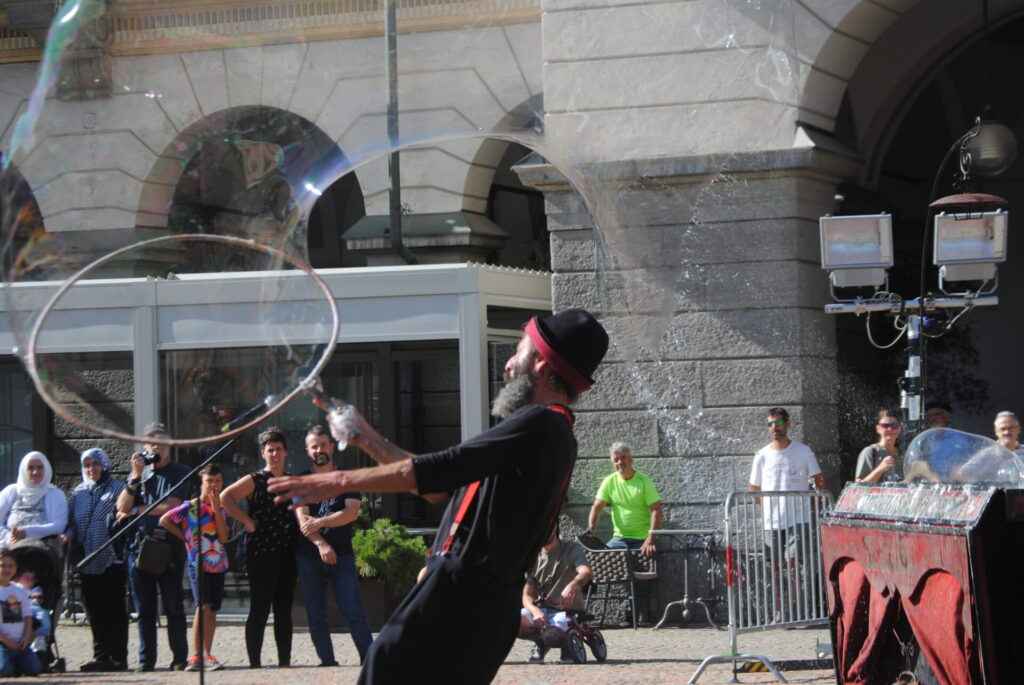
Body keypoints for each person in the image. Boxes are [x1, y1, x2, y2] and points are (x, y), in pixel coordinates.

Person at [268, 307, 609, 684]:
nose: (509, 365)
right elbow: (438, 487)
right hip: (487, 604)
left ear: (543, 365)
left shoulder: (538, 423)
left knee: (382, 670)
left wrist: (336, 480)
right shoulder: (556, 432)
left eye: (519, 351)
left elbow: (439, 469)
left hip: (461, 589)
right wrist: (362, 433)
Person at [115, 422, 192, 672]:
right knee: (144, 609)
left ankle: (180, 658)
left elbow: (172, 504)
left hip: (169, 549)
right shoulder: (140, 474)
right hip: (139, 550)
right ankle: (146, 661)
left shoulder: (180, 471)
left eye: (160, 441)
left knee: (173, 607)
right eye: (150, 441)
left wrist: (138, 510)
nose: (155, 445)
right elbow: (121, 507)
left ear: (169, 445)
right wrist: (136, 476)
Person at [294, 425, 373, 667]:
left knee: (353, 609)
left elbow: (350, 513)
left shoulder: (345, 478)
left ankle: (370, 659)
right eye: (314, 446)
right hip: (309, 555)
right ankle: (327, 661)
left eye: (323, 444)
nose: (320, 449)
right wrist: (320, 544)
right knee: (316, 614)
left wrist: (321, 522)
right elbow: (302, 519)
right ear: (308, 451)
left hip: (343, 554)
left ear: (332, 447)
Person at [221, 427, 298, 669]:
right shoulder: (255, 480)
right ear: (263, 453)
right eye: (270, 450)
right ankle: (255, 663)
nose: (274, 454)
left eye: (278, 450)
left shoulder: (292, 480)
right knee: (260, 609)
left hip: (287, 552)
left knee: (284, 611)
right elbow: (226, 497)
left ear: (285, 452)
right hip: (261, 554)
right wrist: (246, 521)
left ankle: (284, 662)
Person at [748, 407, 826, 622]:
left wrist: (810, 508)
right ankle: (780, 611)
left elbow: (819, 482)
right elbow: (754, 488)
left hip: (797, 518)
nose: (774, 428)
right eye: (770, 424)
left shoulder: (803, 451)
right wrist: (766, 508)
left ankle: (790, 612)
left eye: (779, 423)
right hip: (771, 519)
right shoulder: (762, 455)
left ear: (788, 424)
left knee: (792, 565)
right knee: (774, 567)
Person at [160, 463, 229, 672]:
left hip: (218, 563)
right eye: (209, 481)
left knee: (213, 610)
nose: (214, 485)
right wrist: (185, 538)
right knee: (202, 605)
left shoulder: (222, 508)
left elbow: (224, 537)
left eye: (217, 481)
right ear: (201, 483)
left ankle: (208, 653)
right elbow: (165, 520)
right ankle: (196, 655)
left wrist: (216, 510)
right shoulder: (189, 506)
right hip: (198, 563)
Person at [65, 447, 128, 672]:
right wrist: (68, 536)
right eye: (87, 465)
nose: (91, 469)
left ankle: (119, 657)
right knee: (95, 610)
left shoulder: (118, 488)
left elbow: (124, 516)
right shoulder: (78, 493)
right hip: (86, 559)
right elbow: (71, 524)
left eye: (95, 464)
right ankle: (101, 656)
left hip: (111, 558)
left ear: (104, 464)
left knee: (114, 609)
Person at [585, 441, 662, 624]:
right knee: (592, 562)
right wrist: (591, 529)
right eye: (616, 459)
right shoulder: (609, 481)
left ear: (631, 459)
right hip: (619, 540)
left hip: (642, 540)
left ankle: (638, 616)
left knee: (641, 578)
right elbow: (597, 506)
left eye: (623, 458)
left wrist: (650, 539)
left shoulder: (644, 481)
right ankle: (583, 611)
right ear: (613, 462)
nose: (620, 462)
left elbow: (657, 510)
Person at [518, 529, 593, 664]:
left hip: (567, 611)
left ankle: (567, 646)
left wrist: (573, 585)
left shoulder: (571, 548)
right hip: (544, 610)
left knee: (558, 627)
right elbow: (527, 595)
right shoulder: (533, 557)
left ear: (554, 528)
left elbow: (586, 572)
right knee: (515, 621)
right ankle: (541, 643)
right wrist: (536, 611)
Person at [0, 452, 68, 549]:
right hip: (11, 554)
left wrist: (27, 531)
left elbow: (59, 526)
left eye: (39, 467)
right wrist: (9, 538)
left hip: (45, 553)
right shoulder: (12, 491)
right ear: (24, 470)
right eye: (30, 468)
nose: (35, 472)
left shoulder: (56, 494)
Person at [0, 548, 41, 677]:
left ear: (16, 568)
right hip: (3, 642)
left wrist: (26, 637)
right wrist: (6, 640)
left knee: (35, 669)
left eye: (10, 566)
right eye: (2, 565)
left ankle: (15, 663)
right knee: (4, 671)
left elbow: (27, 616)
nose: (7, 569)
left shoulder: (19, 589)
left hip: (20, 641)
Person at [854, 410, 903, 483]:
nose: (890, 429)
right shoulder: (870, 452)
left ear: (899, 429)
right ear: (878, 428)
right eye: (885, 426)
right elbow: (858, 486)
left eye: (894, 426)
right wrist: (880, 468)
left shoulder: (903, 455)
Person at [14, 570, 48, 656]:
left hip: (33, 607)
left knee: (44, 614)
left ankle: (41, 637)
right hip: (19, 608)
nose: (29, 581)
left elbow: (38, 596)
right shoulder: (15, 588)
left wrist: (35, 596)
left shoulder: (35, 589)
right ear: (18, 579)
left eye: (32, 579)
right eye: (26, 578)